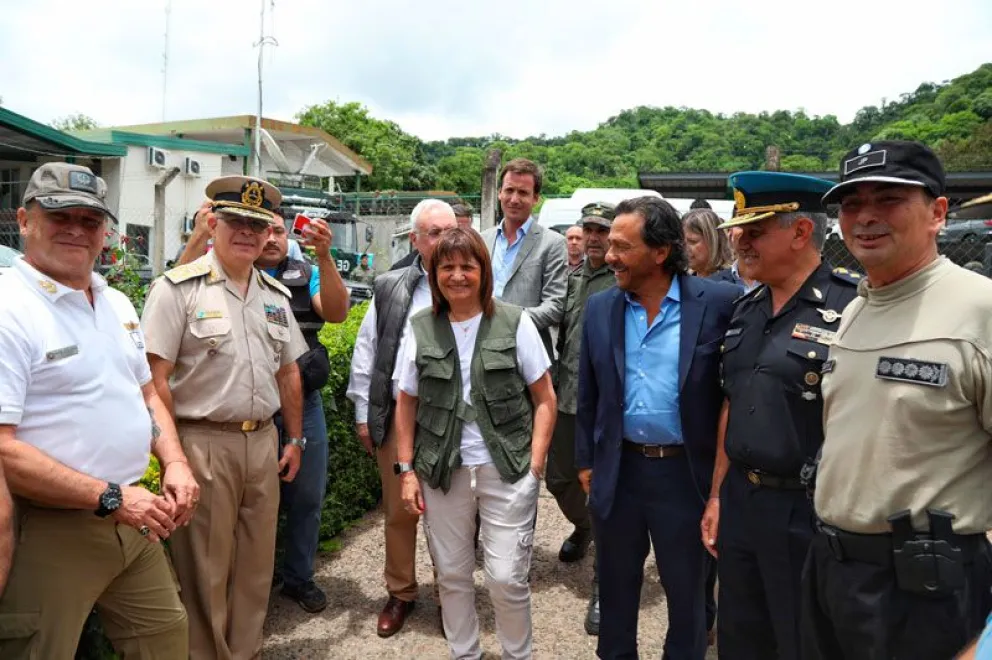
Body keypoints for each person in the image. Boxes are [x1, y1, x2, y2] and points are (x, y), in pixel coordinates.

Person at [802, 140, 992, 659]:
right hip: (835, 571)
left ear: (937, 212)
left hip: (925, 592)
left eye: (888, 199)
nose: (865, 217)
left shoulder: (979, 312)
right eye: (852, 204)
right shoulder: (858, 308)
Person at [0, 163, 193, 658]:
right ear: (24, 221)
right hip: (50, 527)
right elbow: (3, 448)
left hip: (134, 517)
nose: (76, 229)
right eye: (60, 214)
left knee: (165, 642)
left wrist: (174, 461)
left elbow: (147, 394)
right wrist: (110, 497)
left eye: (90, 219)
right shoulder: (9, 308)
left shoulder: (116, 303)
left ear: (105, 231)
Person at [142, 174, 309, 659]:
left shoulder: (274, 295)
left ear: (269, 235)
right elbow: (154, 380)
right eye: (235, 221)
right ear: (212, 223)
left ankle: (244, 651)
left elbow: (289, 373)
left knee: (256, 568)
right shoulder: (177, 289)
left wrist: (295, 439)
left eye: (257, 227)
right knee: (205, 571)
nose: (247, 233)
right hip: (202, 442)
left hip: (263, 445)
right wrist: (173, 457)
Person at [699, 172, 860, 660]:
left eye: (755, 232)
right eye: (739, 231)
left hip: (809, 511)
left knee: (804, 639)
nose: (740, 242)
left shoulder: (852, 307)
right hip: (743, 501)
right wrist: (716, 496)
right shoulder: (747, 309)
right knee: (741, 637)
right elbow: (733, 403)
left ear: (800, 232)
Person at [575, 196, 739, 659]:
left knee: (687, 596)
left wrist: (718, 489)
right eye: (609, 245)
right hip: (620, 472)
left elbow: (733, 393)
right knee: (616, 590)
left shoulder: (720, 303)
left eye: (622, 247)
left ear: (661, 251)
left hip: (685, 475)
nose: (609, 256)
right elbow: (588, 391)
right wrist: (587, 461)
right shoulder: (601, 308)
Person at [176, 205, 348, 613]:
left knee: (306, 495)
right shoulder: (215, 271)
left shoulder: (305, 275)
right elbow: (174, 291)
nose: (268, 238)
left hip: (299, 404)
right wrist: (199, 237)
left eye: (275, 231)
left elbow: (338, 313)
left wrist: (325, 256)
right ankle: (245, 583)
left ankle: (297, 577)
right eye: (256, 228)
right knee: (238, 508)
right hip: (232, 410)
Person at [394, 227, 556, 659]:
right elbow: (406, 403)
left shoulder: (515, 321)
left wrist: (534, 467)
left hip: (505, 467)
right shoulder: (420, 328)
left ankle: (518, 654)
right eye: (447, 266)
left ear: (484, 271)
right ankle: (465, 653)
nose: (458, 276)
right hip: (441, 469)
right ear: (434, 273)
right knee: (451, 573)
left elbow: (544, 399)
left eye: (468, 266)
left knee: (506, 576)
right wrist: (406, 470)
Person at [346, 199, 458, 637]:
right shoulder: (391, 287)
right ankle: (401, 592)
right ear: (414, 239)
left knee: (453, 514)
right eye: (433, 233)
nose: (443, 241)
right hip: (399, 418)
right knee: (398, 511)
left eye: (449, 231)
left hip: (454, 420)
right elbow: (367, 350)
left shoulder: (472, 282)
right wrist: (363, 413)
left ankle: (453, 594)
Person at [548, 202, 616, 635]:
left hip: (606, 406)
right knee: (558, 478)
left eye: (601, 230)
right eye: (588, 229)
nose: (593, 237)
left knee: (606, 492)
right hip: (567, 398)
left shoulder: (622, 281)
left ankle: (603, 588)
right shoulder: (573, 280)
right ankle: (585, 526)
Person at [482, 158, 568, 358]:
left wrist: (507, 320)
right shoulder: (481, 240)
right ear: (499, 193)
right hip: (481, 349)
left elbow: (555, 306)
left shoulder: (553, 243)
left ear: (536, 198)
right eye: (509, 190)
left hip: (528, 353)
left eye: (523, 192)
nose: (514, 199)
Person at [683, 207, 735, 283]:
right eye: (682, 242)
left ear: (713, 241)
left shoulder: (731, 284)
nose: (685, 248)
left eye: (693, 241)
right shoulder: (683, 281)